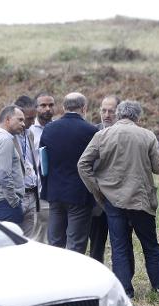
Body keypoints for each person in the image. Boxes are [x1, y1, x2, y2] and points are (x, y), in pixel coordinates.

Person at [78, 100, 159, 298]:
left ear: (118, 115)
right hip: (141, 199)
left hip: (113, 199)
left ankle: (125, 291)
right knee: (150, 245)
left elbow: (83, 164)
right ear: (138, 117)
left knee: (119, 246)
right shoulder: (147, 135)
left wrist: (97, 190)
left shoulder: (102, 135)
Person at [39, 92, 98, 253]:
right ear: (84, 108)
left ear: (64, 107)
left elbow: (43, 162)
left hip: (55, 192)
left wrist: (47, 187)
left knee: (55, 242)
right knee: (76, 244)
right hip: (80, 194)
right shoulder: (91, 131)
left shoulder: (49, 129)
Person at [88, 95, 119, 263]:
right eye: (103, 110)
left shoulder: (126, 134)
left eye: (111, 111)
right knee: (96, 245)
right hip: (97, 199)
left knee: (120, 245)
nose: (106, 115)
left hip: (119, 199)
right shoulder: (91, 132)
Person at [0, 105, 26, 224]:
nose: (23, 124)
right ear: (8, 119)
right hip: (5, 204)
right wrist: (14, 202)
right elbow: (3, 175)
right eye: (20, 120)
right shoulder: (5, 140)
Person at [29, 93, 56, 244]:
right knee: (38, 233)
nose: (48, 109)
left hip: (55, 188)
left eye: (51, 105)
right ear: (36, 108)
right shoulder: (29, 131)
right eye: (43, 106)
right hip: (36, 189)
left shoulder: (58, 128)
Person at [13, 95, 39, 238]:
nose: (31, 122)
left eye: (33, 118)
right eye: (28, 119)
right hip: (16, 196)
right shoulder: (6, 138)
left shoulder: (29, 134)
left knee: (27, 241)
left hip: (31, 195)